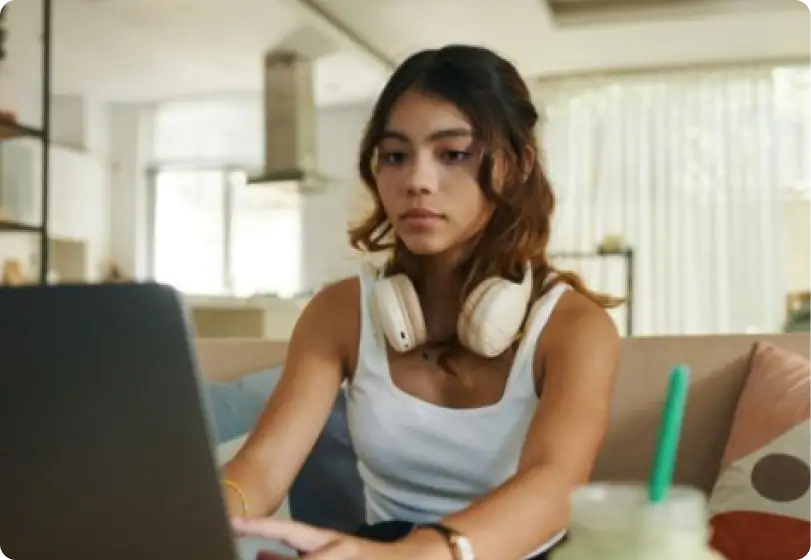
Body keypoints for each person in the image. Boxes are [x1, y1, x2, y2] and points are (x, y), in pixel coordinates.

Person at [224, 44, 622, 560]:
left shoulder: (574, 327)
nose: (416, 180)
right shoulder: (339, 312)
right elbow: (263, 466)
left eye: (453, 154)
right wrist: (208, 514)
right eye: (395, 155)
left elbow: (555, 487)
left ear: (518, 164)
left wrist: (416, 555)